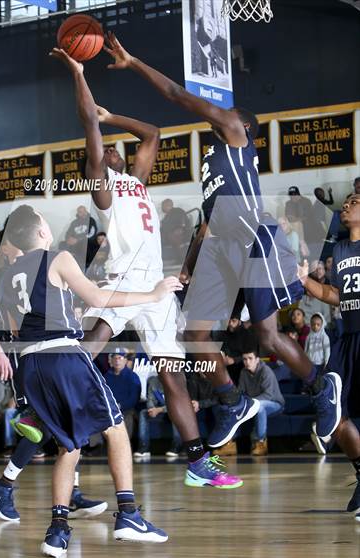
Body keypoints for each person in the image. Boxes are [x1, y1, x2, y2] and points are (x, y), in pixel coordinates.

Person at [101, 32, 342, 449]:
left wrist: (134, 62)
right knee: (194, 337)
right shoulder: (212, 159)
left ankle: (321, 388)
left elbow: (176, 93)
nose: (218, 113)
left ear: (242, 124)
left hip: (253, 238)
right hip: (218, 246)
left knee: (267, 337)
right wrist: (192, 260)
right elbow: (209, 221)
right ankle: (232, 401)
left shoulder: (234, 132)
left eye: (226, 111)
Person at [52, 45, 242, 492]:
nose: (117, 151)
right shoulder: (102, 187)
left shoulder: (137, 182)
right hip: (123, 280)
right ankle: (43, 406)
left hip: (155, 286)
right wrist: (80, 75)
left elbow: (153, 133)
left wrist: (112, 116)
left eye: (118, 149)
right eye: (109, 151)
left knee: (171, 372)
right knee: (92, 345)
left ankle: (197, 461)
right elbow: (88, 129)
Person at [0, 205, 179, 557]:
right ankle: (129, 514)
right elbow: (100, 300)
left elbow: (17, 327)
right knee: (115, 429)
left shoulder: (10, 275)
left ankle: (57, 530)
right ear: (41, 233)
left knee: (69, 444)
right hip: (63, 357)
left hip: (31, 365)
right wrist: (154, 294)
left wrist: (70, 310)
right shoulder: (57, 258)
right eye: (45, 221)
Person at [0, 239, 112, 523]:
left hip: (42, 353)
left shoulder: (31, 271)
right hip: (24, 355)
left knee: (64, 422)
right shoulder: (5, 275)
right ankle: (3, 484)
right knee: (43, 427)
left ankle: (70, 494)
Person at [298, 193, 360, 520]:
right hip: (346, 338)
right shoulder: (339, 250)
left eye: (353, 201)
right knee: (335, 416)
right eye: (345, 202)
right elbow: (334, 295)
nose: (346, 206)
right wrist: (303, 280)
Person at [237, 351, 285, 456]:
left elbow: (268, 395)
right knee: (233, 407)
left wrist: (250, 403)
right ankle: (229, 444)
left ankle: (261, 442)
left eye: (250, 358)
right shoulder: (243, 372)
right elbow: (240, 392)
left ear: (257, 360)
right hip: (254, 403)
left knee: (260, 407)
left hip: (275, 404)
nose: (247, 362)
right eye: (245, 359)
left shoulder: (266, 371)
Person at [134, 375, 182, 459]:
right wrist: (151, 409)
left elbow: (177, 404)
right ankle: (143, 447)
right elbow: (150, 399)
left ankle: (177, 447)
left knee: (176, 412)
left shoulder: (177, 381)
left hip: (174, 410)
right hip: (160, 411)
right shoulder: (153, 381)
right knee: (143, 413)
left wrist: (160, 410)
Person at [104, 348, 141, 439]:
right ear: (111, 360)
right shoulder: (106, 377)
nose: (117, 361)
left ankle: (126, 443)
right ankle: (95, 447)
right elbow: (102, 395)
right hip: (109, 409)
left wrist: (119, 406)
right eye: (115, 358)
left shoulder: (132, 376)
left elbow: (134, 398)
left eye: (120, 358)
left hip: (125, 409)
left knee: (128, 415)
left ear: (125, 360)